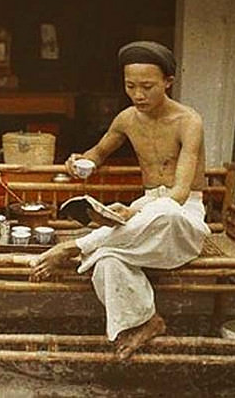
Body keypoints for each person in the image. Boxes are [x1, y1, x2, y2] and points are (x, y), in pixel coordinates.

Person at [32, 40, 211, 360]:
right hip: (143, 219)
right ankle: (146, 322)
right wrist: (79, 163)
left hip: (180, 218)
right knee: (107, 260)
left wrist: (133, 211)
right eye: (130, 86)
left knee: (165, 212)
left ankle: (75, 246)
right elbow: (98, 154)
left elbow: (180, 193)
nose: (138, 95)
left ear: (168, 82)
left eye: (147, 87)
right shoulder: (128, 118)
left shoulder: (189, 121)